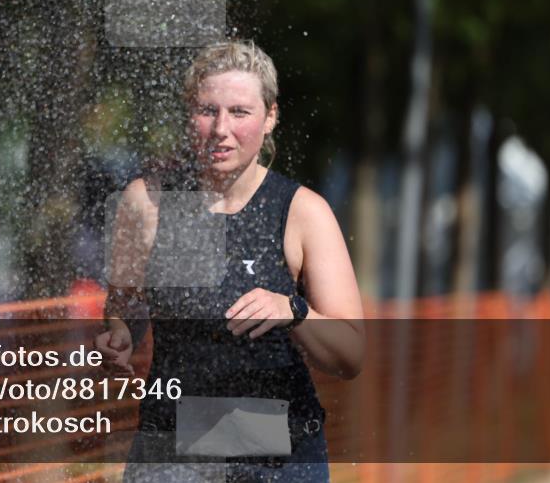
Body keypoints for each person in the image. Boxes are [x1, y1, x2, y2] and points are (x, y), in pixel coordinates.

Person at [96, 40, 364, 483]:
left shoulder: (301, 212)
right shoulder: (146, 202)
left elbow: (351, 355)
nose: (221, 128)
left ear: (271, 116)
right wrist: (119, 333)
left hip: (277, 452)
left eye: (240, 112)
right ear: (189, 114)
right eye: (207, 110)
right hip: (173, 445)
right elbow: (126, 305)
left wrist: (293, 312)